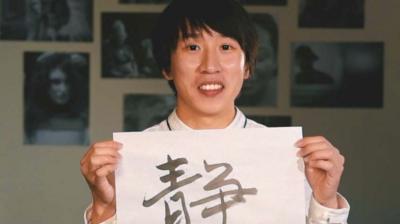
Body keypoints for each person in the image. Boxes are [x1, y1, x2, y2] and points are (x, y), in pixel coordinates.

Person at [80, 0, 349, 223]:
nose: (210, 65)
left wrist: (325, 200)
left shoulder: (288, 159)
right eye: (193, 47)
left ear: (247, 67)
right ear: (166, 66)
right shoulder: (130, 163)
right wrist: (104, 210)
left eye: (226, 47)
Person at [25, 52, 89, 145]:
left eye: (68, 82)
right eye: (56, 82)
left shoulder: (85, 121)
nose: (63, 89)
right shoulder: (29, 123)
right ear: (44, 84)